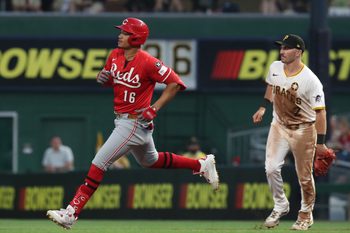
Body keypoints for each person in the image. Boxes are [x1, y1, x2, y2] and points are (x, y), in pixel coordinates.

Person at [46, 17, 219, 229]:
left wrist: (154, 108)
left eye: (126, 33)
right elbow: (112, 78)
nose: (120, 35)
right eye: (122, 32)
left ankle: (71, 213)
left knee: (99, 163)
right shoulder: (115, 55)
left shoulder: (148, 61)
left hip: (134, 123)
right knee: (151, 161)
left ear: (136, 37)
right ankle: (200, 164)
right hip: (124, 120)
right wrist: (104, 77)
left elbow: (175, 83)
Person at [252, 34, 330, 230]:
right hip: (279, 125)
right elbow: (271, 85)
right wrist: (263, 107)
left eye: (286, 48)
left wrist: (320, 143)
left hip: (304, 128)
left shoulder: (311, 80)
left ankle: (306, 214)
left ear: (299, 52)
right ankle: (281, 205)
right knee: (270, 168)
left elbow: (321, 114)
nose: (282, 51)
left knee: (304, 176)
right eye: (281, 47)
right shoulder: (275, 67)